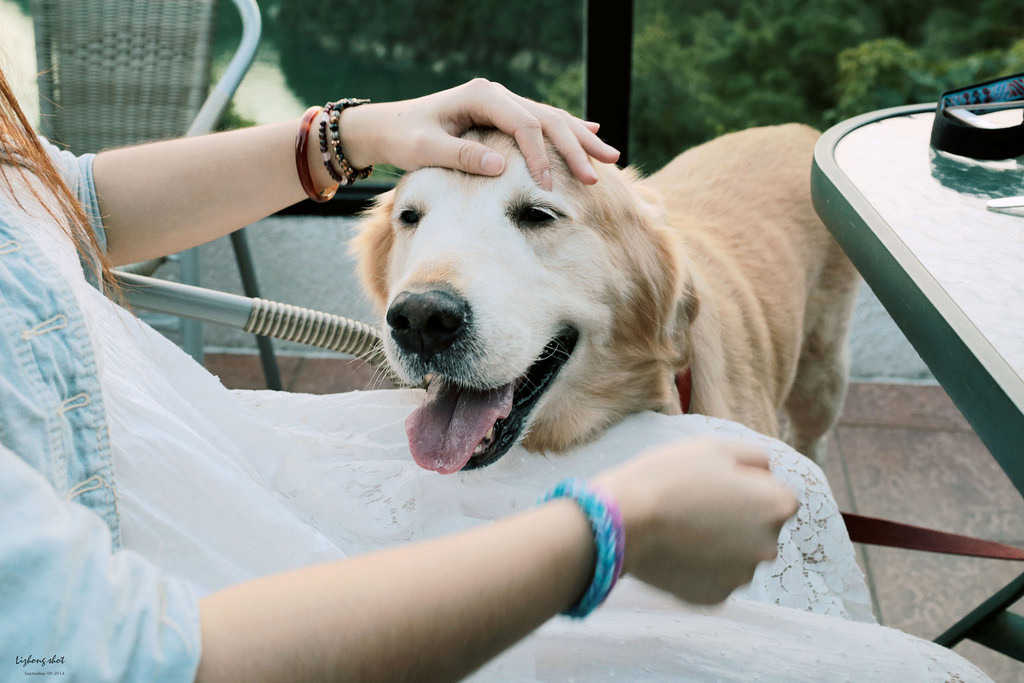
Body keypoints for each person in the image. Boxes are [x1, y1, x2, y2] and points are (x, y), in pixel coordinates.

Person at [0, 60, 991, 682]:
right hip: (183, 587)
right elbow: (119, 656)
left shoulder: (667, 283)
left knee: (799, 433)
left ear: (663, 294)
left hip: (182, 462)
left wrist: (360, 134)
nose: (422, 300)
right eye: (417, 217)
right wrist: (610, 529)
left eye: (535, 216)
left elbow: (53, 193)